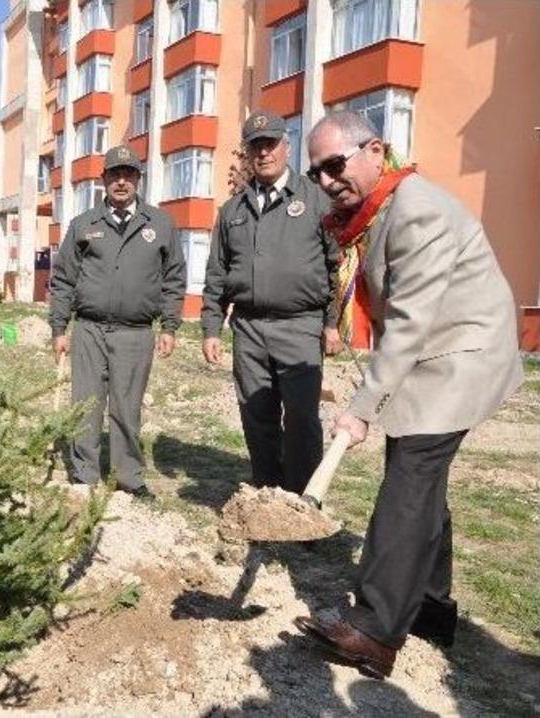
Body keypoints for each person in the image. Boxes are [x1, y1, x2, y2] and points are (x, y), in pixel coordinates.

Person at [293, 111, 523, 678]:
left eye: (335, 165)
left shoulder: (417, 210)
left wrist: (360, 410)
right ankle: (431, 610)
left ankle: (375, 631)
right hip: (433, 353)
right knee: (420, 481)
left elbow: (410, 322)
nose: (327, 181)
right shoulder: (380, 210)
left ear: (375, 150)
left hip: (462, 355)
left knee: (409, 480)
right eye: (317, 172)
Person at [201, 111, 341, 494]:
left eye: (271, 144)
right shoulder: (233, 211)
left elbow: (337, 265)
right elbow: (217, 272)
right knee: (256, 416)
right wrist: (211, 327)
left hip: (300, 326)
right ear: (248, 153)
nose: (264, 153)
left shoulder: (316, 199)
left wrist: (331, 322)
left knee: (301, 419)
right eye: (256, 146)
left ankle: (300, 501)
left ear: (287, 146)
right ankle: (266, 495)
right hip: (248, 329)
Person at [48, 145, 187, 499]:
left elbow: (174, 278)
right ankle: (85, 474)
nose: (121, 182)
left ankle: (128, 477)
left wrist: (169, 326)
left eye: (128, 175)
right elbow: (63, 280)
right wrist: (59, 328)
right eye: (115, 175)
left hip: (135, 333)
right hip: (89, 330)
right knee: (86, 405)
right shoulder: (84, 225)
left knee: (127, 407)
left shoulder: (160, 224)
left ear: (138, 179)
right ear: (104, 179)